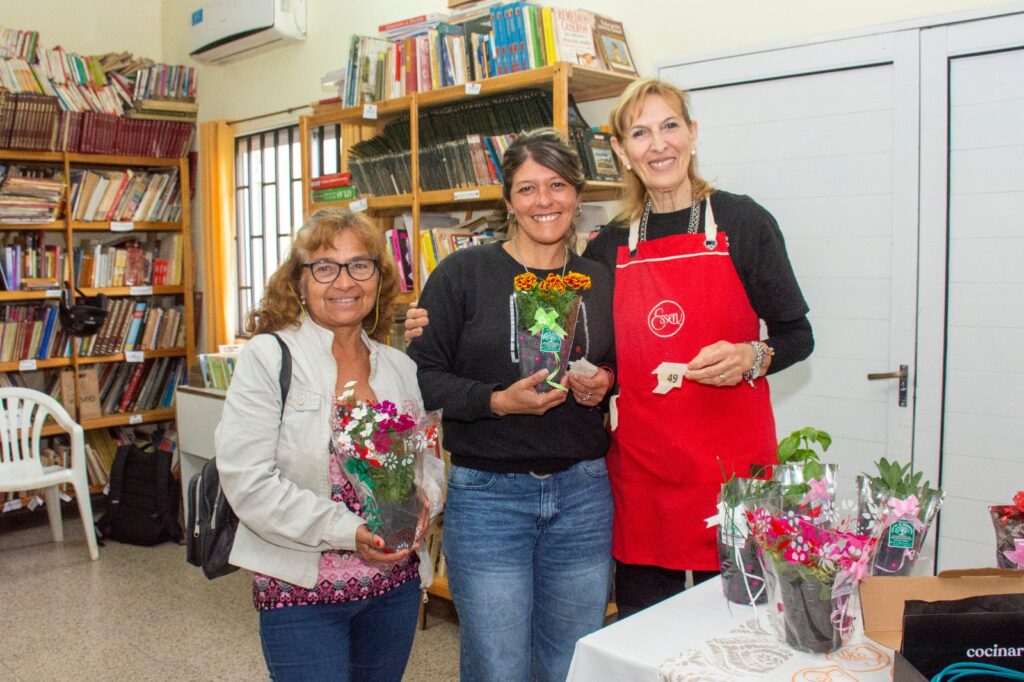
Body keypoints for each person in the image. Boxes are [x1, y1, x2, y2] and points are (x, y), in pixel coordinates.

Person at [407, 79, 814, 619]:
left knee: (740, 623)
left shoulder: (744, 223)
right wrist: (600, 378)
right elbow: (603, 352)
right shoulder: (607, 247)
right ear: (621, 151)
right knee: (645, 629)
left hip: (729, 464)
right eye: (640, 132)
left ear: (692, 135)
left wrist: (751, 357)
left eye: (670, 126)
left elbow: (797, 335)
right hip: (641, 471)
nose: (658, 144)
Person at [406, 128, 616, 682]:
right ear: (507, 202)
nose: (543, 201)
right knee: (498, 666)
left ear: (576, 195)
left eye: (557, 185)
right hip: (489, 497)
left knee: (572, 662)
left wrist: (605, 383)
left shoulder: (600, 280)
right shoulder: (464, 274)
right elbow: (422, 379)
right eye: (527, 189)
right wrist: (496, 401)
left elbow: (624, 369)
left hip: (583, 494)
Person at [215, 209, 445, 682]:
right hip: (302, 592)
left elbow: (428, 464)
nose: (344, 281)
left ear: (378, 280)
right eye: (325, 267)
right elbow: (249, 483)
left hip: (393, 588)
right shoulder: (269, 357)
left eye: (360, 265)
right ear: (299, 282)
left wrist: (424, 503)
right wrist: (349, 532)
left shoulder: (398, 366)